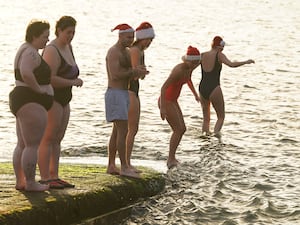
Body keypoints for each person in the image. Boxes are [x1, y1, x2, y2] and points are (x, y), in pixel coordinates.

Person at [38, 16, 83, 189]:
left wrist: (74, 79)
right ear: (59, 31)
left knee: (58, 138)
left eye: (73, 32)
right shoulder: (51, 50)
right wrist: (72, 82)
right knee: (48, 137)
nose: (70, 36)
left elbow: (70, 71)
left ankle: (54, 175)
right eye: (68, 32)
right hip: (53, 97)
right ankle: (44, 177)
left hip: (66, 98)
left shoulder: (68, 47)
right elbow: (50, 78)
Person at [9, 20, 53, 191]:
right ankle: (30, 182)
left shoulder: (25, 49)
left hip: (22, 99)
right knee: (32, 144)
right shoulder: (31, 53)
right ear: (34, 36)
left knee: (22, 143)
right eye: (44, 37)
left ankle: (21, 181)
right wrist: (39, 91)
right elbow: (26, 72)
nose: (46, 41)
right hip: (30, 100)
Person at [105, 23, 149, 178]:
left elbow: (129, 73)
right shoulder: (113, 52)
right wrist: (133, 71)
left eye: (133, 37)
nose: (131, 40)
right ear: (120, 36)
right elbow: (115, 74)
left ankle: (111, 165)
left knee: (117, 131)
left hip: (122, 93)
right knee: (123, 130)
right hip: (115, 93)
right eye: (128, 37)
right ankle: (124, 166)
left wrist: (139, 72)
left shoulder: (126, 51)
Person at [199, 36, 255, 140]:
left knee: (206, 118)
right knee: (221, 117)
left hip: (202, 88)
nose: (223, 48)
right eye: (223, 46)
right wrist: (245, 62)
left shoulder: (202, 55)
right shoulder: (219, 55)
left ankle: (204, 138)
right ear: (220, 46)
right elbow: (231, 64)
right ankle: (216, 138)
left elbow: (191, 66)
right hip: (214, 87)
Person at [159, 46, 201, 169]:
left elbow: (188, 80)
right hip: (166, 100)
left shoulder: (190, 68)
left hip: (173, 100)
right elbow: (163, 87)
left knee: (182, 129)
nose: (194, 65)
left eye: (196, 63)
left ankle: (172, 157)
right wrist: (162, 107)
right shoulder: (178, 70)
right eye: (192, 63)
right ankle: (170, 159)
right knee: (178, 130)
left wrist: (195, 95)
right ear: (187, 60)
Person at [126, 22, 155, 172]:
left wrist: (142, 72)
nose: (149, 42)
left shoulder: (140, 51)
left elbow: (139, 74)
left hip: (133, 90)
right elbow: (134, 73)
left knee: (129, 129)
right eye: (148, 39)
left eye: (151, 40)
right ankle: (127, 163)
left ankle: (125, 162)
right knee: (132, 129)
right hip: (130, 90)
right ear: (141, 38)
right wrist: (142, 71)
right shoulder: (136, 50)